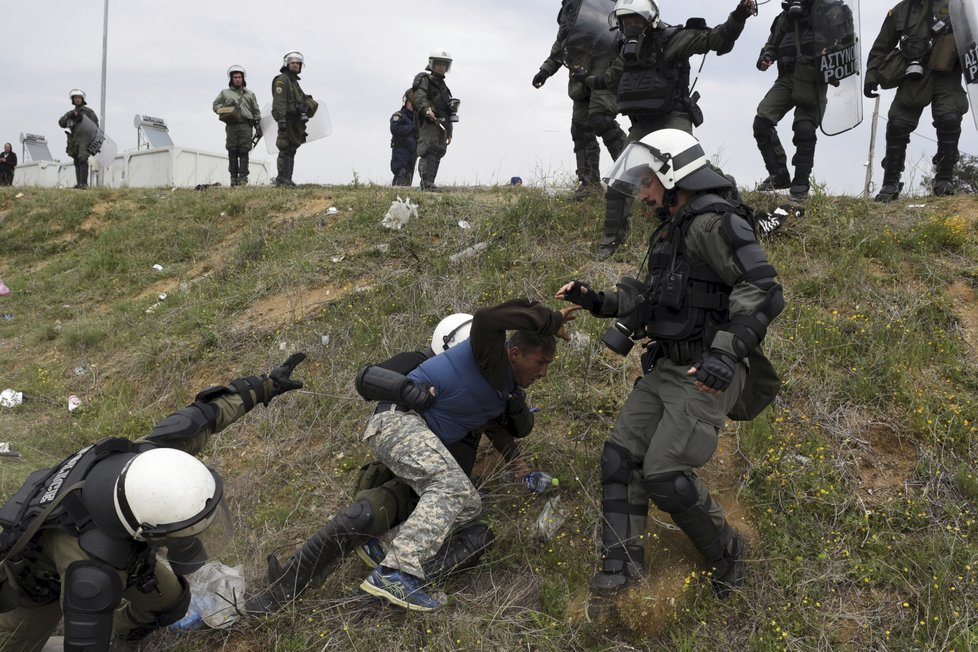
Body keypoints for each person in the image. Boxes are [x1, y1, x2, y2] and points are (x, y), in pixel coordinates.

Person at [555, 129, 784, 609]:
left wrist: (725, 353)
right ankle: (622, 564)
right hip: (667, 366)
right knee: (620, 458)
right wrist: (596, 300)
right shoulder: (671, 230)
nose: (641, 194)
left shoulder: (713, 222)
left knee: (664, 472)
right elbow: (651, 299)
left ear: (674, 174)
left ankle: (728, 551)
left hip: (705, 368)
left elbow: (763, 287)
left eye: (647, 184)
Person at [0, 354, 306, 651]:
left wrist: (264, 386)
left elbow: (201, 417)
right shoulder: (93, 573)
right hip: (33, 589)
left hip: (114, 539)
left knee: (171, 603)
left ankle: (121, 634)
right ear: (149, 532)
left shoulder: (149, 460)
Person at [246, 314, 541, 613]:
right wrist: (404, 389)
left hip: (446, 489)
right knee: (362, 516)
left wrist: (519, 463)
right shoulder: (420, 363)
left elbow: (507, 430)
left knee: (478, 535)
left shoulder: (494, 391)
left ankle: (388, 583)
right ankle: (285, 587)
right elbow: (367, 379)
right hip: (406, 474)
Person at [575, 0, 757, 258]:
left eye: (636, 21)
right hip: (642, 124)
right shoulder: (625, 50)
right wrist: (585, 78)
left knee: (689, 171)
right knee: (619, 180)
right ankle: (611, 242)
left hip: (674, 115)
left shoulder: (673, 39)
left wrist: (739, 15)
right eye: (626, 22)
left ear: (649, 20)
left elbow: (717, 38)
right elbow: (610, 79)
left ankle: (732, 201)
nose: (631, 26)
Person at [864, 0, 968, 201]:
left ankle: (944, 179)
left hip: (947, 74)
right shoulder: (901, 10)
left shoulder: (958, 6)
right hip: (914, 75)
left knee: (949, 119)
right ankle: (890, 183)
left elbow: (973, 39)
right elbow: (881, 45)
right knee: (897, 125)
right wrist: (871, 75)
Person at [532, 0, 627, 201]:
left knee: (602, 120)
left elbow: (626, 28)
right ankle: (589, 185)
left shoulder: (613, 3)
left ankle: (630, 179)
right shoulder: (571, 6)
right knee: (580, 129)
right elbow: (563, 40)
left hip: (605, 69)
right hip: (579, 72)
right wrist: (545, 70)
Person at [752, 0, 821, 202]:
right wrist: (766, 57)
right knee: (762, 122)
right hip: (786, 77)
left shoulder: (826, 11)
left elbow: (842, 41)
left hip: (811, 77)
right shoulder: (783, 19)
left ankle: (801, 184)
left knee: (805, 128)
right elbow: (772, 45)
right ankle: (779, 174)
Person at [413, 49, 458, 191]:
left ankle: (430, 183)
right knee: (428, 150)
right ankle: (426, 183)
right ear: (432, 64)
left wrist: (450, 132)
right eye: (439, 64)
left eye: (444, 65)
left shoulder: (445, 88)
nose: (441, 67)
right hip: (429, 122)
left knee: (438, 151)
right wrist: (427, 109)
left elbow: (448, 110)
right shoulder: (425, 80)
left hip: (442, 125)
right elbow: (419, 97)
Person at [213, 65, 262, 186]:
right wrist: (224, 108)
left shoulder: (250, 94)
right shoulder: (225, 93)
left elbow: (256, 111)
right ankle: (233, 179)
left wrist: (257, 126)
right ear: (231, 78)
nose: (237, 79)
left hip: (246, 125)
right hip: (231, 125)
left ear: (243, 78)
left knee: (244, 151)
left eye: (239, 77)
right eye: (235, 77)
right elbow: (215, 105)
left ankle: (243, 179)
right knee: (232, 151)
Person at [272, 51, 314, 188]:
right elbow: (279, 101)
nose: (295, 65)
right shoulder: (282, 79)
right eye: (293, 63)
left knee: (292, 149)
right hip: (286, 119)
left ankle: (288, 179)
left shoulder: (294, 82)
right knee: (284, 148)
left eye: (298, 63)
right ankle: (282, 179)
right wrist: (281, 120)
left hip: (294, 121)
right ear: (287, 64)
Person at [57, 90, 99, 190]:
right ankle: (79, 183)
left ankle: (84, 184)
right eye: (75, 98)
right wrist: (68, 115)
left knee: (83, 159)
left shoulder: (88, 111)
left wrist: (82, 117)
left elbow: (96, 125)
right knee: (76, 160)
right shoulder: (71, 113)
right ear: (73, 100)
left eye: (79, 97)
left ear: (82, 99)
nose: (77, 99)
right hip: (74, 139)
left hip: (85, 138)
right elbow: (61, 123)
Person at [390, 89, 418, 187]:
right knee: (401, 172)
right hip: (400, 150)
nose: (413, 105)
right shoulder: (399, 115)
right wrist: (412, 127)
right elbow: (395, 129)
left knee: (409, 175)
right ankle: (395, 195)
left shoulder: (417, 118)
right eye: (411, 103)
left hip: (413, 151)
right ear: (406, 103)